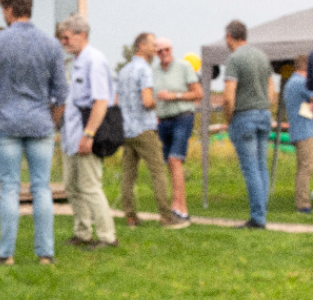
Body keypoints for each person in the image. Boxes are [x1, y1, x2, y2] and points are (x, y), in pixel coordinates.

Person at [0, 0, 68, 266]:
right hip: (40, 123)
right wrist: (50, 122)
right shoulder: (51, 45)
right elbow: (61, 94)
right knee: (42, 188)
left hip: (7, 124)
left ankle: (6, 254)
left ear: (9, 10)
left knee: (9, 189)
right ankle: (45, 254)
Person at [116, 32, 189, 229]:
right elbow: (147, 101)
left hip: (126, 129)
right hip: (144, 129)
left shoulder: (123, 71)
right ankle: (166, 216)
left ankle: (130, 216)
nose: (155, 48)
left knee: (128, 175)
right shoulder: (145, 70)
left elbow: (116, 101)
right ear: (141, 46)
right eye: (152, 45)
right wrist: (159, 102)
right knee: (157, 171)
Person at [57, 14, 117, 249]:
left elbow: (101, 101)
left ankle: (107, 236)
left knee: (90, 187)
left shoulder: (95, 61)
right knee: (72, 186)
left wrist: (89, 134)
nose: (64, 42)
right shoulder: (77, 62)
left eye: (67, 37)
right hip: (71, 135)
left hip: (86, 135)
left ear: (82, 35)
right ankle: (82, 232)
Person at [222, 20, 276, 229]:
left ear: (229, 37)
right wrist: (264, 105)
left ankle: (258, 217)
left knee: (250, 167)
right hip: (264, 113)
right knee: (261, 165)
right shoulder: (262, 56)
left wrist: (229, 119)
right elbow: (271, 89)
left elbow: (228, 96)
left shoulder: (234, 59)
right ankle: (261, 212)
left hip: (244, 116)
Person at [153, 38, 203, 221]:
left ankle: (179, 206)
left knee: (175, 159)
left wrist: (175, 96)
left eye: (166, 49)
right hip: (163, 120)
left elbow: (198, 93)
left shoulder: (184, 67)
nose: (164, 53)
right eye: (159, 51)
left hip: (183, 117)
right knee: (170, 162)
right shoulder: (154, 71)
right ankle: (179, 207)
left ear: (171, 49)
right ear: (156, 53)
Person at [283, 54, 313, 213]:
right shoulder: (302, 82)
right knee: (306, 168)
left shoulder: (292, 82)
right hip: (305, 131)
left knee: (307, 166)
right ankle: (303, 205)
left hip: (299, 130)